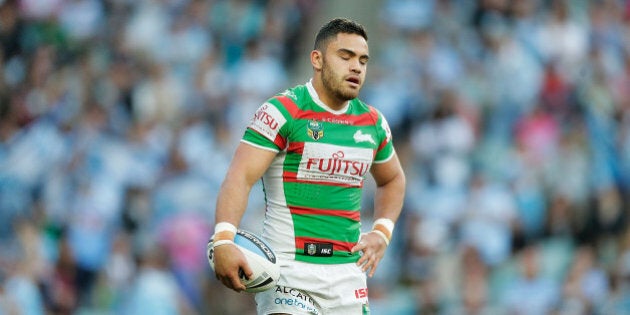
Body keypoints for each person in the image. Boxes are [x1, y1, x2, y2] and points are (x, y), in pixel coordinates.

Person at [211, 17, 406, 314]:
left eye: (363, 61)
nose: (356, 67)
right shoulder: (283, 111)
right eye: (346, 56)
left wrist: (382, 232)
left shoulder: (373, 124)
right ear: (317, 59)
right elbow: (240, 176)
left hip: (347, 274)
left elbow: (393, 180)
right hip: (290, 270)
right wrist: (224, 238)